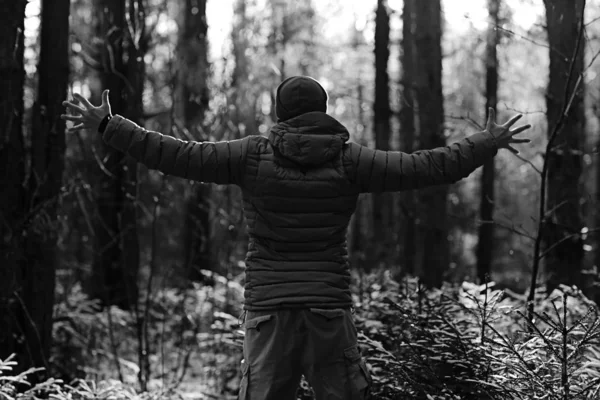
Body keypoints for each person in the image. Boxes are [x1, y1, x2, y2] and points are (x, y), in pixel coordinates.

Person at [62, 76, 531, 400]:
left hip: (268, 313)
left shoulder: (249, 156)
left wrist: (108, 125)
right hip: (327, 310)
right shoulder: (351, 160)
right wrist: (485, 141)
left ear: (280, 112)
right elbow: (428, 167)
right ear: (322, 111)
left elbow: (175, 154)